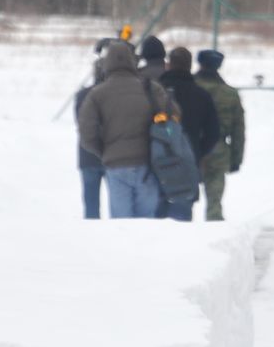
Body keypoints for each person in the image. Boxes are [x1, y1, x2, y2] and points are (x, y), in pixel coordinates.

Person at [78, 39, 166, 219]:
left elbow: (86, 134)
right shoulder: (151, 89)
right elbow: (173, 118)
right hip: (147, 164)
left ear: (106, 64)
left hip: (116, 166)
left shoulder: (96, 95)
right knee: (147, 223)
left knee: (122, 224)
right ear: (132, 61)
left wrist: (105, 152)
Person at [157, 48, 220, 222]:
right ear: (190, 66)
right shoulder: (202, 95)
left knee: (154, 222)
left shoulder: (155, 92)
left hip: (156, 162)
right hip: (188, 163)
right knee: (182, 223)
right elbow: (213, 133)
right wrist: (198, 152)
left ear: (168, 65)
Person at [194, 49, 245, 222]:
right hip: (219, 149)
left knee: (183, 197)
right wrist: (236, 158)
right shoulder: (229, 94)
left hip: (191, 147)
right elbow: (238, 130)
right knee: (214, 201)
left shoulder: (191, 87)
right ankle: (213, 230)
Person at [73, 40, 110, 219]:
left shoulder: (82, 95)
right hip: (112, 154)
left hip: (87, 154)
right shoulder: (116, 94)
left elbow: (79, 123)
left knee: (91, 206)